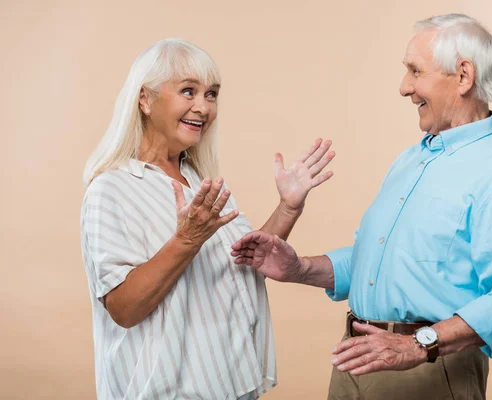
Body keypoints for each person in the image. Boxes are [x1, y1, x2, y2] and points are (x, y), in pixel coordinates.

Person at [231, 13, 492, 399]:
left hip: (428, 368)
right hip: (357, 361)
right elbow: (378, 262)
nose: (404, 88)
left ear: (463, 76)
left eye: (415, 71)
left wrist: (418, 345)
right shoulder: (410, 160)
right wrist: (301, 269)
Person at [80, 38, 335, 399]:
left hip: (228, 383)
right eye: (188, 91)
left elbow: (244, 261)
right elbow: (123, 308)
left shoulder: (198, 180)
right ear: (145, 99)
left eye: (211, 94)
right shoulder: (112, 189)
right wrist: (186, 239)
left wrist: (288, 207)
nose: (203, 107)